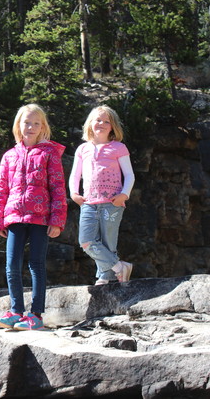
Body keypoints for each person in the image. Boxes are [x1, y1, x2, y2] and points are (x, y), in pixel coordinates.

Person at [0, 104, 67, 331]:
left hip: (40, 218)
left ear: (43, 127)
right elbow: (1, 189)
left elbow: (57, 188)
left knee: (36, 264)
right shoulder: (9, 156)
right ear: (18, 125)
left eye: (36, 123)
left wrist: (57, 219)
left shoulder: (49, 153)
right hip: (14, 216)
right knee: (12, 264)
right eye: (27, 122)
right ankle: (16, 311)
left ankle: (36, 314)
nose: (31, 127)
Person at [69, 105, 135, 285]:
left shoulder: (118, 148)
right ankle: (120, 267)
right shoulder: (83, 149)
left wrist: (124, 195)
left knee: (109, 243)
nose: (102, 124)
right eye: (98, 120)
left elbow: (129, 174)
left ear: (113, 126)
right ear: (90, 123)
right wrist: (74, 193)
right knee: (86, 241)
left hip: (112, 203)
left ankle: (106, 276)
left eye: (107, 121)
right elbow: (75, 174)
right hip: (88, 203)